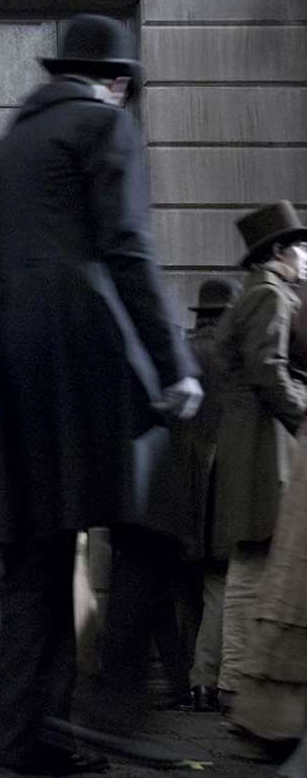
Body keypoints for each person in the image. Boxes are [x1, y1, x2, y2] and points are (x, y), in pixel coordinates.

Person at [0, 14, 202, 774]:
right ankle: (108, 711)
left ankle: (26, 738)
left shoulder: (3, 154)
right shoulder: (104, 126)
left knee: (36, 555)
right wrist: (173, 363)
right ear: (117, 82)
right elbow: (128, 247)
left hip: (13, 362)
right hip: (89, 354)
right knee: (155, 521)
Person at [211, 200, 307, 707]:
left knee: (253, 564)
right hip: (265, 448)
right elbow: (270, 369)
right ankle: (237, 681)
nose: (306, 256)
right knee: (255, 563)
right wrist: (303, 415)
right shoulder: (269, 295)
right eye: (301, 247)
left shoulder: (258, 292)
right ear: (279, 251)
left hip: (256, 443)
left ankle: (237, 678)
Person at [176, 277, 241, 712]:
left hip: (178, 484)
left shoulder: (182, 351)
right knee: (219, 583)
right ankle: (205, 680)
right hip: (221, 480)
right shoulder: (234, 357)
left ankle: (187, 677)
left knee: (185, 584)